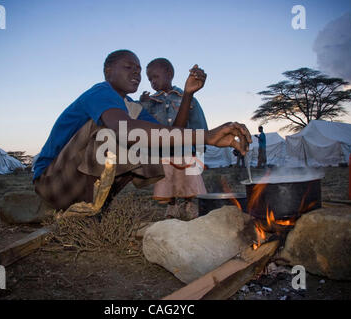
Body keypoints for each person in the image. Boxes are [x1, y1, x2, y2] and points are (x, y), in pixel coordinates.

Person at [33, 49, 252, 216]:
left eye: (138, 70)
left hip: (76, 192)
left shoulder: (132, 106)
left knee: (154, 141)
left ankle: (94, 209)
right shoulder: (100, 92)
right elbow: (124, 130)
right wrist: (206, 135)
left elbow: (172, 135)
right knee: (113, 132)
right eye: (129, 67)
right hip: (52, 182)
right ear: (109, 71)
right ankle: (86, 211)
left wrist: (187, 95)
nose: (137, 74)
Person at [139, 58, 208, 220]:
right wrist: (144, 104)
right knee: (167, 178)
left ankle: (190, 204)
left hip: (185, 149)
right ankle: (172, 206)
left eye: (155, 77)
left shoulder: (186, 97)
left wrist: (200, 148)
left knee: (189, 177)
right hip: (163, 151)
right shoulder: (151, 101)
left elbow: (199, 122)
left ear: (169, 74)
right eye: (150, 79)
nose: (152, 82)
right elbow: (143, 125)